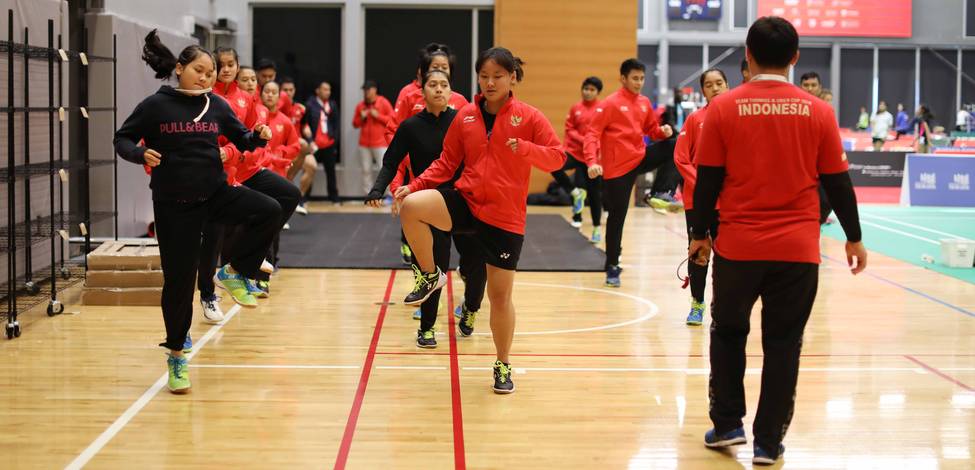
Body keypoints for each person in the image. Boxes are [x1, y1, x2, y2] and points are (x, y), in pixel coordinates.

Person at [688, 17, 866, 465]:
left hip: (738, 248)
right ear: (795, 57)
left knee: (728, 333)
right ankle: (769, 443)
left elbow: (708, 181)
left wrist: (699, 234)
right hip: (797, 251)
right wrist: (854, 238)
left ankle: (728, 424)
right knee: (784, 343)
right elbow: (839, 183)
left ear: (746, 55)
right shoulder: (819, 111)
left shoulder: (724, 108)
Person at [114, 30, 280, 394]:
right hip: (174, 206)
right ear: (180, 69)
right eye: (199, 70)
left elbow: (243, 139)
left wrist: (260, 135)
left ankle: (235, 270)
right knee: (179, 282)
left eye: (210, 72)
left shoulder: (216, 106)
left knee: (270, 209)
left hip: (215, 193)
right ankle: (176, 356)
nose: (205, 77)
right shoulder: (155, 106)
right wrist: (140, 154)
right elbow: (122, 139)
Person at [394, 48, 564, 394]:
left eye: (497, 76)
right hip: (467, 201)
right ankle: (430, 275)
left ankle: (502, 364)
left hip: (504, 217)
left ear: (512, 77)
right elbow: (446, 162)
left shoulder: (529, 117)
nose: (489, 82)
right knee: (411, 206)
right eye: (484, 76)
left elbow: (558, 159)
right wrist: (414, 184)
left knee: (500, 298)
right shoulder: (466, 116)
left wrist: (527, 150)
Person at [365, 69, 472, 347]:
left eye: (444, 85)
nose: (438, 89)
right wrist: (378, 189)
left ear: (451, 92)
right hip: (425, 202)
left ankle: (471, 308)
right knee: (434, 268)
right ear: (422, 92)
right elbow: (391, 162)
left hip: (463, 200)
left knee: (474, 265)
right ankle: (427, 328)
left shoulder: (461, 122)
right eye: (432, 85)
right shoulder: (410, 126)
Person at [583, 58, 676, 287]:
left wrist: (662, 132)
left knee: (674, 146)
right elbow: (592, 134)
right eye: (635, 78)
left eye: (642, 78)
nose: (639, 82)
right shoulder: (610, 104)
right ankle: (612, 266)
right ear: (623, 79)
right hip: (617, 170)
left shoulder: (644, 102)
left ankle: (658, 193)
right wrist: (592, 161)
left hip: (639, 157)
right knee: (617, 219)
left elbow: (650, 130)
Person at [674, 67, 728, 326]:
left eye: (720, 83)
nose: (715, 88)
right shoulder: (695, 120)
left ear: (727, 86)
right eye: (709, 85)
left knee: (728, 257)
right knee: (699, 253)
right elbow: (681, 158)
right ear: (703, 91)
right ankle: (697, 304)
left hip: (729, 203)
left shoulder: (737, 118)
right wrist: (706, 186)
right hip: (698, 201)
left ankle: (723, 306)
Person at [551, 76, 604, 239]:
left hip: (592, 159)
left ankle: (596, 229)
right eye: (586, 89)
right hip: (574, 152)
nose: (588, 92)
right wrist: (583, 140)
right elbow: (570, 129)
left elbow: (603, 132)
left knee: (594, 194)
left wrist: (593, 145)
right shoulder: (576, 108)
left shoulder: (602, 109)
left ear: (597, 92)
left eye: (592, 90)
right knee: (553, 165)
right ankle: (573, 193)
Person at [353, 80, 394, 194]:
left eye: (368, 89)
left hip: (380, 143)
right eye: (364, 90)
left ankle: (389, 195)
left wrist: (378, 116)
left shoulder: (383, 102)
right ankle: (368, 195)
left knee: (384, 169)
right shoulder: (360, 106)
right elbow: (355, 124)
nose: (366, 92)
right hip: (364, 144)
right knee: (366, 170)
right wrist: (361, 117)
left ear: (375, 90)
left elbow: (392, 120)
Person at [303, 81, 341, 203]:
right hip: (314, 144)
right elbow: (305, 124)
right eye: (324, 89)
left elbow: (336, 124)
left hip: (328, 143)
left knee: (331, 172)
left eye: (329, 90)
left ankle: (334, 197)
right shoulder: (310, 104)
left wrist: (334, 140)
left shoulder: (332, 104)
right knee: (309, 169)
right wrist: (309, 141)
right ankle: (305, 196)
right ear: (317, 90)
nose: (327, 92)